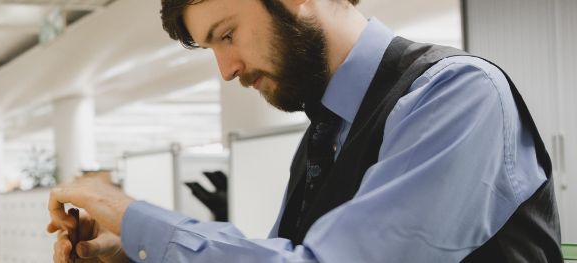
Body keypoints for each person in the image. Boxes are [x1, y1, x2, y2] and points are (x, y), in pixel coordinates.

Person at [45, 0, 563, 262]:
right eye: (212, 49)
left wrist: (135, 218)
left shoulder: (455, 95)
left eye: (227, 35)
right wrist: (134, 252)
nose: (225, 70)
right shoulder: (324, 136)